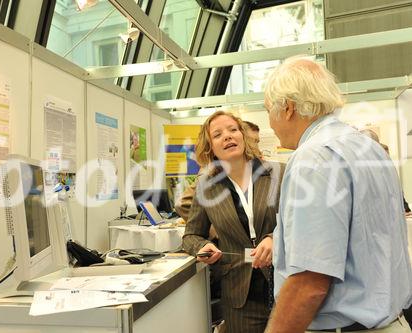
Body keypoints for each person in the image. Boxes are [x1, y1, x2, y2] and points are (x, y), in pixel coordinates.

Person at [263, 57, 412, 333]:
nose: (269, 124)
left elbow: (310, 282)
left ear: (287, 108)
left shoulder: (313, 158)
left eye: (268, 110)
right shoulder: (369, 149)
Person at [182, 111, 284, 333]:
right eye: (217, 134)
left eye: (232, 130)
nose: (227, 136)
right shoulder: (206, 186)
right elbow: (191, 236)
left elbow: (302, 223)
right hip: (240, 293)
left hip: (285, 285)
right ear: (210, 146)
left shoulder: (278, 173)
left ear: (242, 136)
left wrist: (275, 238)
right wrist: (202, 246)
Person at [175, 120, 262, 222]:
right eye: (253, 141)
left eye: (257, 142)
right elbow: (183, 203)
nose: (256, 146)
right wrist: (213, 227)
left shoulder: (252, 167)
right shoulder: (213, 169)